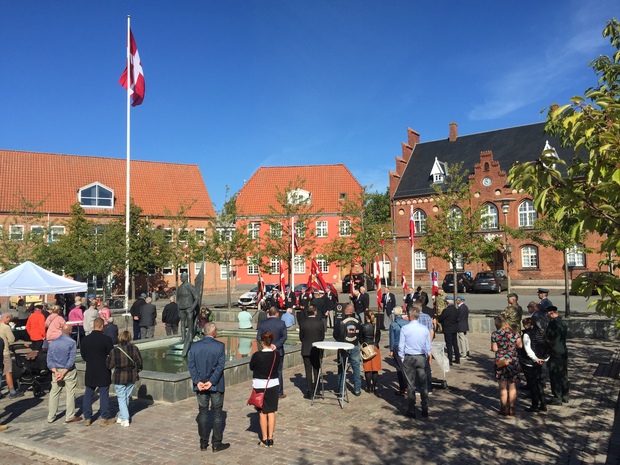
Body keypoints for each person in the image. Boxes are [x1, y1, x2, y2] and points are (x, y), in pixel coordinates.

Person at [187, 322, 230, 453]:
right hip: (215, 385)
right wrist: (211, 382)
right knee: (217, 413)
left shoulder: (194, 346)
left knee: (203, 412)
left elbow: (191, 365)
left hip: (200, 385)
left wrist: (197, 381)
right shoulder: (219, 346)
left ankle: (203, 443)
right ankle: (216, 443)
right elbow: (220, 366)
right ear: (214, 332)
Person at [398, 306, 432, 419]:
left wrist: (401, 357)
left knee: (411, 385)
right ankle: (425, 407)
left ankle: (411, 409)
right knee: (423, 384)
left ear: (410, 316)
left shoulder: (405, 329)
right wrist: (427, 354)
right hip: (421, 357)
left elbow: (401, 345)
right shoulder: (424, 329)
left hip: (409, 357)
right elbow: (428, 345)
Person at [80, 318, 114, 426]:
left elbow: (83, 355)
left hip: (90, 369)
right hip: (103, 369)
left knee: (88, 393)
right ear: (102, 326)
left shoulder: (85, 339)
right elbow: (111, 354)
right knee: (104, 394)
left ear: (93, 326)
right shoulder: (106, 339)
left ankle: (87, 418)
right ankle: (104, 417)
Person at [250, 331, 281, 447]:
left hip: (260, 386)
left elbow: (251, 367)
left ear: (262, 342)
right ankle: (270, 438)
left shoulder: (257, 355)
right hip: (273, 384)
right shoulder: (276, 355)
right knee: (271, 412)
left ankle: (264, 438)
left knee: (262, 412)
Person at [46, 324, 81, 423]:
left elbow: (49, 359)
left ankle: (51, 416)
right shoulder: (72, 342)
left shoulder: (53, 343)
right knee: (70, 392)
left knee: (54, 393)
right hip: (68, 371)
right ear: (70, 331)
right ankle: (69, 416)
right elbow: (71, 359)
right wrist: (64, 372)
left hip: (56, 370)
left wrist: (56, 371)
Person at [107, 330, 142, 427]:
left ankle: (125, 418)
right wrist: (136, 371)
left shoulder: (115, 351)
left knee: (121, 397)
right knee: (126, 397)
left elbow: (109, 365)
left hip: (119, 376)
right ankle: (121, 417)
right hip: (131, 375)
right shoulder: (134, 348)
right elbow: (139, 363)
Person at [491, 315, 523, 416]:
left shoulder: (495, 334)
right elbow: (520, 345)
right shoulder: (515, 333)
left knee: (502, 387)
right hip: (513, 360)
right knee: (512, 386)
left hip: (501, 361)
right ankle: (512, 408)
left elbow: (495, 349)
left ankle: (503, 408)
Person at [256, 307, 288, 398]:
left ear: (269, 314)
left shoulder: (263, 324)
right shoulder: (281, 323)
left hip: (266, 351)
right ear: (277, 314)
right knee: (278, 371)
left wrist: (267, 345)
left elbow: (258, 337)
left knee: (266, 371)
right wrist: (276, 345)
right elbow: (284, 337)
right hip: (278, 351)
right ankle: (279, 392)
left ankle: (266, 391)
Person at [520, 317, 550, 413]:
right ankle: (543, 404)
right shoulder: (541, 332)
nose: (524, 326)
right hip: (541, 361)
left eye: (524, 324)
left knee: (533, 384)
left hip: (530, 363)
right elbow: (547, 346)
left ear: (528, 325)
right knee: (539, 384)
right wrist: (544, 359)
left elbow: (528, 350)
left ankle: (534, 405)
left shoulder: (526, 335)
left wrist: (536, 359)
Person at [333, 304, 362, 397]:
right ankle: (357, 389)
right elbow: (360, 334)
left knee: (342, 369)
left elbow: (335, 334)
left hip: (344, 346)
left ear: (346, 311)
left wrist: (340, 340)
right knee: (356, 368)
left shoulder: (340, 321)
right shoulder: (358, 321)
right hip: (354, 345)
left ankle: (341, 391)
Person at [299, 306, 324, 399]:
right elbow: (322, 337)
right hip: (317, 349)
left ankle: (310, 391)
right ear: (315, 312)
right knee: (316, 370)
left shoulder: (303, 323)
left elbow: (301, 337)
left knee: (308, 371)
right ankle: (317, 390)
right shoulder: (319, 322)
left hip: (306, 349)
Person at [545, 306, 569, 405]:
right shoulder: (562, 322)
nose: (546, 315)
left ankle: (557, 397)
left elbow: (550, 338)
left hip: (555, 352)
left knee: (555, 375)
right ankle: (565, 395)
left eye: (547, 313)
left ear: (551, 313)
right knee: (563, 374)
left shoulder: (553, 324)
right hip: (563, 351)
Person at [0, 312, 23, 398]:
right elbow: (12, 339)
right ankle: (12, 391)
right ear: (7, 318)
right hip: (5, 351)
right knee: (8, 372)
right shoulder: (6, 327)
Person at [177, 272, 199, 356]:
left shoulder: (190, 287)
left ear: (185, 278)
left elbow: (196, 298)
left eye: (181, 277)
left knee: (190, 324)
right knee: (182, 324)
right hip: (181, 308)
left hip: (189, 308)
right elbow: (178, 300)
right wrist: (178, 309)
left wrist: (192, 308)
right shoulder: (179, 288)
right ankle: (183, 338)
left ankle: (190, 338)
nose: (180, 278)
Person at [389, 306, 409, 396]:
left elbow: (392, 339)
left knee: (399, 368)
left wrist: (391, 349)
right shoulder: (407, 323)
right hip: (407, 346)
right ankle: (409, 387)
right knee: (407, 367)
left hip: (397, 346)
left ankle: (402, 388)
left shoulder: (393, 324)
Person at [360, 310, 381, 394]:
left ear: (366, 317)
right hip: (375, 347)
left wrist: (364, 344)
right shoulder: (376, 326)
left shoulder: (363, 326)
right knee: (375, 369)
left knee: (367, 369)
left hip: (366, 348)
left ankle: (369, 387)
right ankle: (374, 386)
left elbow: (360, 338)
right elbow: (378, 338)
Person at [437, 296, 460, 365]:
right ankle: (457, 358)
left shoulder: (446, 310)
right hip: (454, 329)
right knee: (455, 344)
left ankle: (450, 359)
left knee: (449, 344)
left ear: (447, 302)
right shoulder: (456, 310)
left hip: (448, 329)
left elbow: (440, 319)